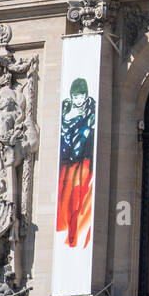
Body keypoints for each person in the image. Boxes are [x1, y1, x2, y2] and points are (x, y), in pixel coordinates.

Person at [57, 77, 96, 249]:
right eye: (76, 97)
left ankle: (73, 236)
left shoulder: (90, 114)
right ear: (72, 97)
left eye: (82, 96)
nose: (79, 100)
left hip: (81, 165)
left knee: (77, 200)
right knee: (65, 201)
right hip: (65, 165)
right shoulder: (65, 112)